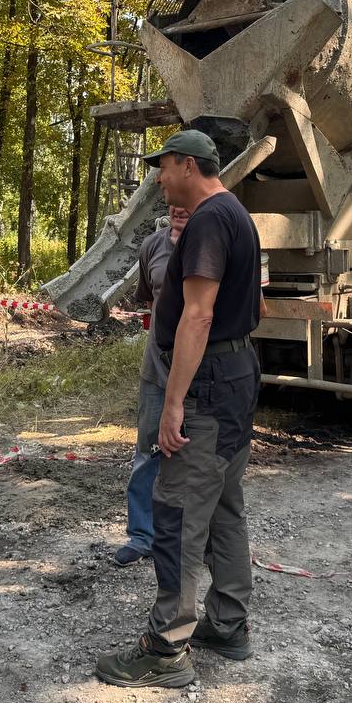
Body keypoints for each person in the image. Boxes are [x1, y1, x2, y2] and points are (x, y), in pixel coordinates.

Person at [95, 129, 262, 689]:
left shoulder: (210, 221)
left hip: (208, 387)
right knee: (224, 508)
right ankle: (228, 623)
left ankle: (166, 648)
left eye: (163, 167)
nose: (158, 178)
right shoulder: (236, 212)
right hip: (237, 379)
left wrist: (172, 406)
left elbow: (198, 316)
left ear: (189, 165)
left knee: (178, 513)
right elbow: (256, 304)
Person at [115, 206, 190, 567]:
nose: (178, 208)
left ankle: (197, 538)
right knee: (148, 451)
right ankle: (142, 535)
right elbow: (151, 301)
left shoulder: (212, 244)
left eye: (187, 203)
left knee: (200, 454)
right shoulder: (152, 246)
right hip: (157, 370)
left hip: (200, 371)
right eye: (173, 202)